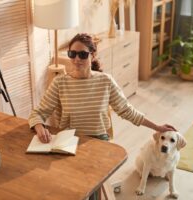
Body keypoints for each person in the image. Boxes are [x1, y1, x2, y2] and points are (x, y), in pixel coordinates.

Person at [28, 33, 176, 199]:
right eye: (72, 54)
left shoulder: (105, 81)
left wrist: (157, 127)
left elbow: (127, 110)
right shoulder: (60, 83)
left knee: (89, 187)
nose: (76, 59)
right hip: (69, 142)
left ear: (92, 55)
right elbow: (38, 113)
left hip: (99, 141)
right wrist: (39, 127)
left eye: (82, 54)